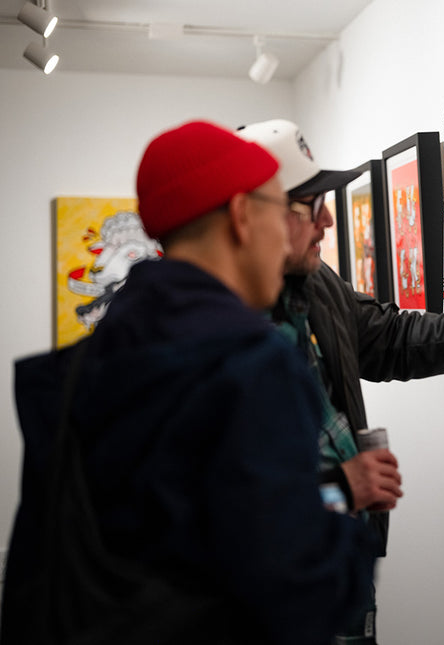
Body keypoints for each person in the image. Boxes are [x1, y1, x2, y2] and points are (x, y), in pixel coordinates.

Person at [0, 120, 376, 645]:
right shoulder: (250, 362)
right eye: (285, 208)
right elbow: (305, 594)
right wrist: (342, 509)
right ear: (243, 215)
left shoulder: (93, 357)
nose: (322, 222)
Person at [237, 118, 444, 644]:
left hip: (341, 565)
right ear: (261, 216)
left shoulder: (318, 286)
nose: (329, 221)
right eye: (312, 205)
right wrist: (341, 488)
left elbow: (393, 338)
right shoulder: (218, 330)